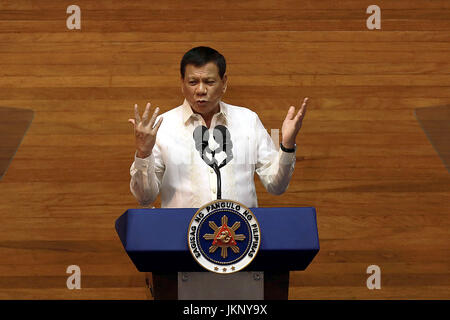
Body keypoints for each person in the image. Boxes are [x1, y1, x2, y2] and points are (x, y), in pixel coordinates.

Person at [128, 46, 309, 209]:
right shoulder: (163, 126)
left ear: (224, 83)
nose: (200, 90)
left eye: (209, 82)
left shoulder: (247, 120)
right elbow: (145, 198)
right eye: (193, 82)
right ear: (182, 83)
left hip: (241, 237)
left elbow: (276, 186)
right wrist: (143, 153)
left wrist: (286, 145)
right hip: (182, 238)